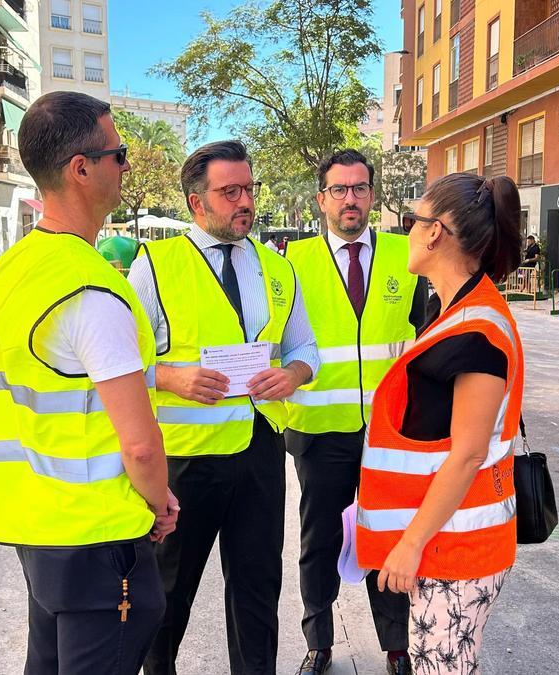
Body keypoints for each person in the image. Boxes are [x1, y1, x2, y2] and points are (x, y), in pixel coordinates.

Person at [0, 92, 177, 674]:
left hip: (43, 530)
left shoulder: (19, 264)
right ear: (81, 168)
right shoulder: (92, 290)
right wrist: (159, 503)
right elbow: (140, 444)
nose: (126, 165)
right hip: (99, 538)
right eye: (118, 154)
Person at [128, 140, 320, 674]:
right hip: (185, 460)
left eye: (249, 189)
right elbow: (120, 365)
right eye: (230, 192)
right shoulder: (155, 267)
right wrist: (171, 376)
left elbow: (306, 348)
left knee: (258, 590)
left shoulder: (276, 268)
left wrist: (292, 374)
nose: (246, 202)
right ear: (197, 202)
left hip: (260, 451)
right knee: (166, 595)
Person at [356, 173, 524, 674]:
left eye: (413, 220)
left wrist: (409, 544)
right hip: (445, 536)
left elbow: (469, 453)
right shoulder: (449, 309)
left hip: (460, 544)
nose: (406, 231)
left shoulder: (477, 330)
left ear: (435, 232)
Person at [284, 149, 428, 675]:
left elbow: (425, 336)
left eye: (360, 188)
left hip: (390, 432)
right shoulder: (291, 262)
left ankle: (397, 647)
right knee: (319, 541)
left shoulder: (404, 254)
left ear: (372, 195)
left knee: (387, 537)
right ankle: (318, 642)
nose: (351, 198)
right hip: (320, 431)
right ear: (321, 199)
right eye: (340, 189)